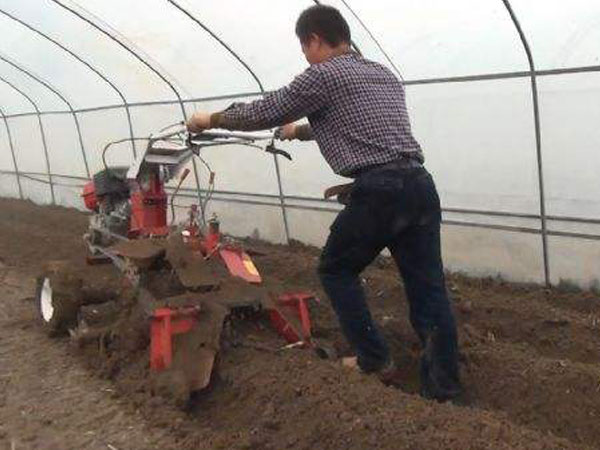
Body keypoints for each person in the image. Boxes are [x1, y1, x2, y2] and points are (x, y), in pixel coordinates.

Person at [187, 4, 462, 402]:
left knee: (335, 269)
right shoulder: (382, 74)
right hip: (418, 186)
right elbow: (356, 120)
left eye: (304, 48)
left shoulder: (324, 74)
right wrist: (299, 132)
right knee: (428, 289)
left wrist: (208, 119)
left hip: (380, 190)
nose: (305, 56)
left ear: (314, 39)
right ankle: (445, 390)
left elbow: (264, 111)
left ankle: (374, 359)